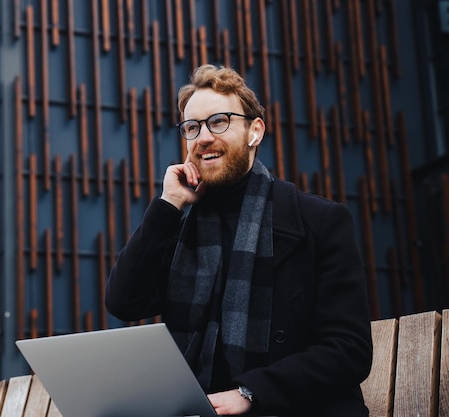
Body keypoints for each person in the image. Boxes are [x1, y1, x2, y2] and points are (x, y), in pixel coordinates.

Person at [105, 64, 372, 416]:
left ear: (254, 131)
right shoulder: (181, 230)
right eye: (192, 127)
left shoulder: (319, 222)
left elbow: (348, 349)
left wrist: (250, 393)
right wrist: (167, 205)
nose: (203, 137)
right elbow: (124, 301)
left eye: (218, 122)